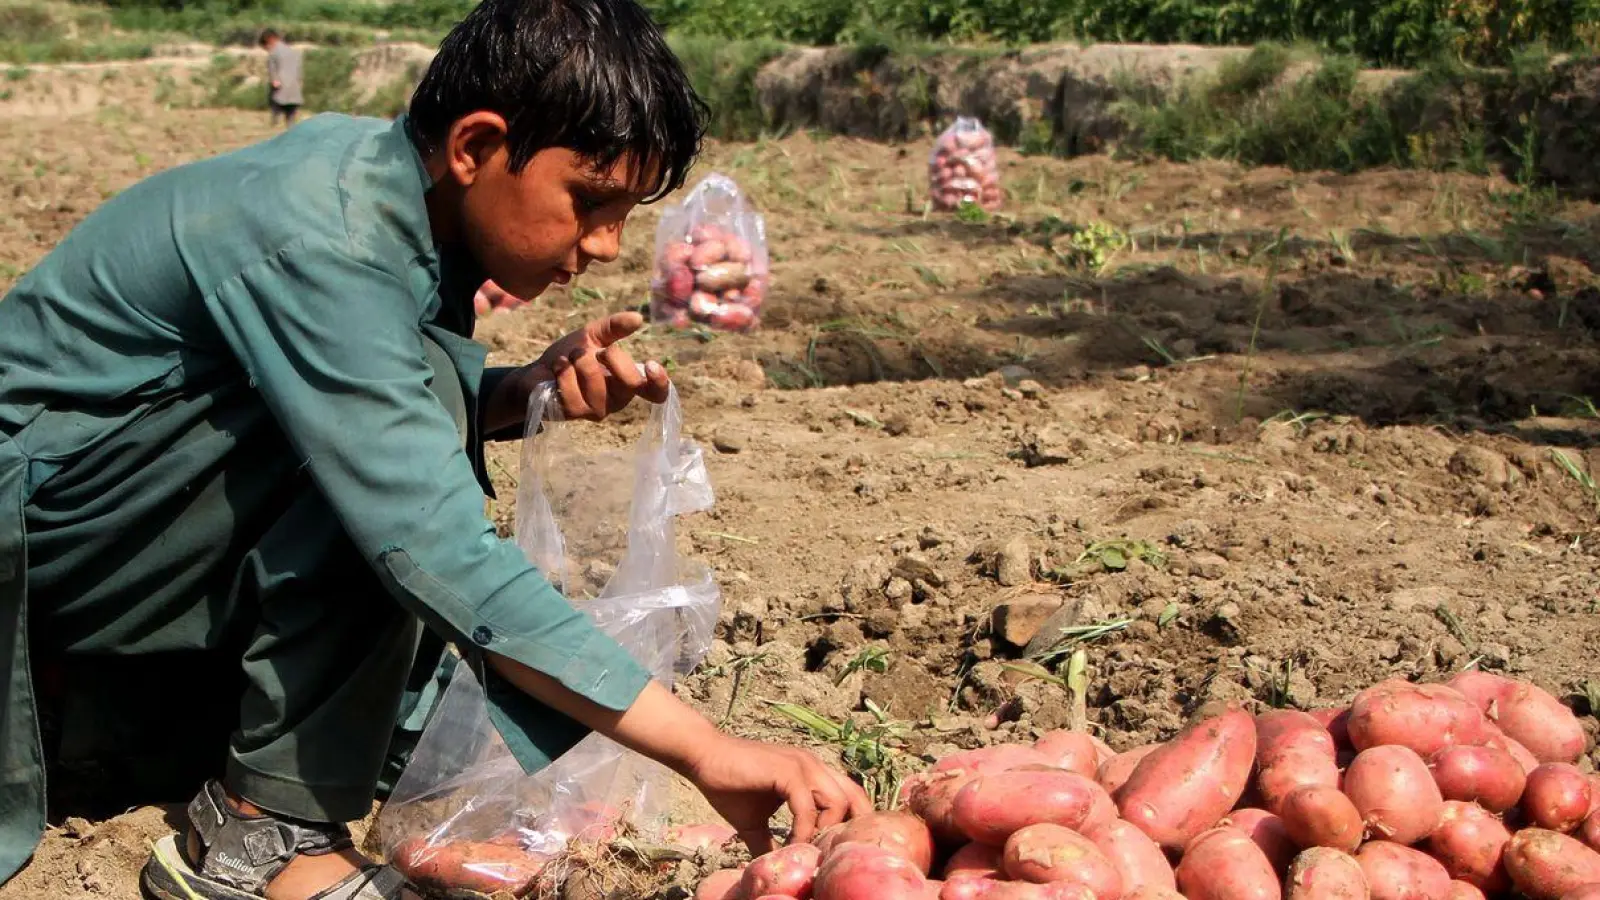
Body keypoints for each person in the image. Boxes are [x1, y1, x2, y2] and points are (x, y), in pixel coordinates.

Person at [0, 0, 868, 898]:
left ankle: (276, 753)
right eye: (590, 202)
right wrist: (709, 751)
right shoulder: (325, 236)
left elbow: (377, 404)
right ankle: (260, 836)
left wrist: (513, 392)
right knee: (392, 484)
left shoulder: (392, 188)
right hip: (42, 543)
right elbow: (429, 534)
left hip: (101, 529)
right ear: (475, 147)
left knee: (409, 414)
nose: (607, 246)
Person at [259, 28, 303, 127]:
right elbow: (299, 71)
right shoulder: (293, 51)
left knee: (276, 109)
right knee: (291, 115)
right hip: (294, 88)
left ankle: (273, 125)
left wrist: (274, 81)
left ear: (269, 41)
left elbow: (272, 71)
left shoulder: (273, 53)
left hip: (281, 88)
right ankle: (290, 128)